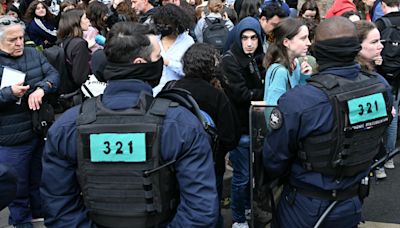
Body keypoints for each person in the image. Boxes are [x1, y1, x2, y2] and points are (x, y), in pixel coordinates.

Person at [40, 21, 218, 227]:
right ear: (141, 63)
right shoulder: (180, 125)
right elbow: (200, 211)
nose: (161, 62)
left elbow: (58, 207)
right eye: (158, 57)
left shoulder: (67, 126)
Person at [263, 16, 392, 227]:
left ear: (318, 51)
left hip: (306, 204)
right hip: (352, 201)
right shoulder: (380, 89)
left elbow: (274, 158)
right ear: (355, 48)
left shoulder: (300, 101)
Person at [171, 43, 240, 228]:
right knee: (209, 212)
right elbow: (230, 138)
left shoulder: (171, 89)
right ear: (212, 67)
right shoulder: (217, 96)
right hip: (209, 167)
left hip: (172, 166)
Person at [0, 15, 59, 228]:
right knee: (17, 186)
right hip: (10, 137)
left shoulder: (33, 53)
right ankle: (20, 222)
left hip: (37, 130)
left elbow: (54, 75)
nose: (19, 44)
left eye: (21, 38)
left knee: (39, 179)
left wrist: (43, 88)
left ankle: (39, 215)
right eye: (12, 40)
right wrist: (9, 94)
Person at [221, 16, 264, 228]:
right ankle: (238, 218)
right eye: (245, 38)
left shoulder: (259, 57)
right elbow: (241, 94)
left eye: (254, 38)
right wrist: (263, 91)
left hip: (256, 127)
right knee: (242, 177)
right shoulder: (230, 59)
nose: (249, 43)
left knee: (252, 176)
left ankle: (247, 207)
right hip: (239, 128)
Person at [375, 0, 400, 171]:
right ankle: (390, 157)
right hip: (399, 75)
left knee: (379, 115)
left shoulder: (380, 24)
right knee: (394, 114)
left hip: (382, 75)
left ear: (383, 5)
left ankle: (379, 163)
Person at [263, 18, 312, 105]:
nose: (308, 43)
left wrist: (304, 78)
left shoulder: (296, 64)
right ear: (286, 42)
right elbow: (273, 109)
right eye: (303, 38)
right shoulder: (280, 72)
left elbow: (300, 99)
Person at [151, 4, 194, 95]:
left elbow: (189, 70)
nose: (165, 26)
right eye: (162, 23)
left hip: (176, 92)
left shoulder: (187, 41)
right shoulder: (155, 40)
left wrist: (168, 62)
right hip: (154, 92)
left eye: (167, 23)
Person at [56, 9, 91, 96]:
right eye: (85, 18)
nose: (88, 21)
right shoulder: (79, 44)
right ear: (76, 22)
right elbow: (80, 77)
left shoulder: (63, 40)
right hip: (77, 92)